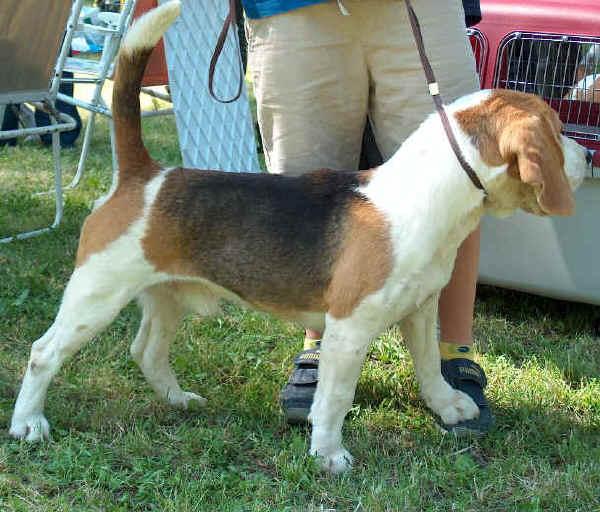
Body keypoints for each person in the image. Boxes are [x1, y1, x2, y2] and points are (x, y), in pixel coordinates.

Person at [242, 0, 492, 434]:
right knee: (305, 197)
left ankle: (455, 352)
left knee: (456, 179)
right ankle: (318, 346)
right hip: (288, 9)